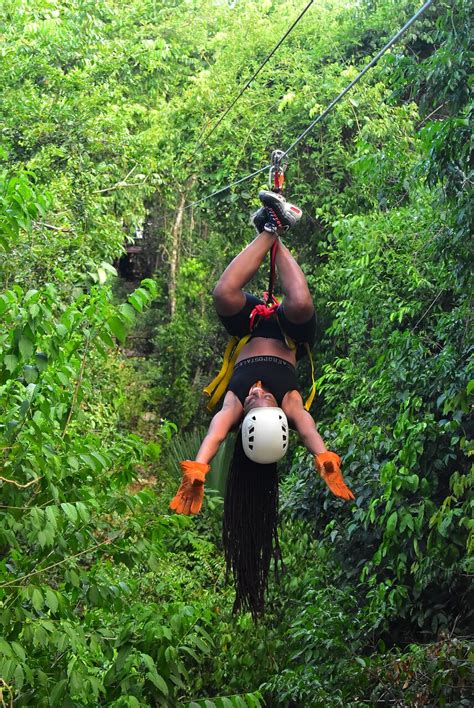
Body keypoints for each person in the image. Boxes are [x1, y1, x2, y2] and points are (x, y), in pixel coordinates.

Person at [170, 190, 354, 616]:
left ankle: (270, 229)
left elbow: (216, 433)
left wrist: (196, 472)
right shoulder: (288, 401)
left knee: (223, 293)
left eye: (253, 403)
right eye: (261, 401)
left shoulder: (236, 405)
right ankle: (275, 229)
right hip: (289, 330)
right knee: (303, 301)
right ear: (275, 413)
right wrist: (326, 460)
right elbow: (307, 428)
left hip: (252, 326)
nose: (255, 394)